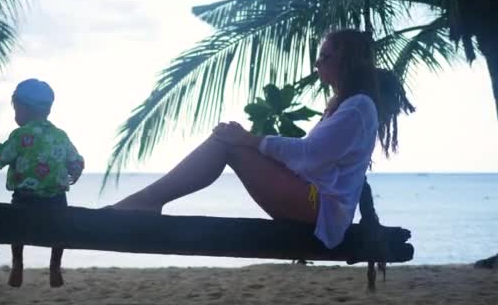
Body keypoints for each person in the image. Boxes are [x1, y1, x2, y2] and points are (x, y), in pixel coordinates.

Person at [108, 29, 413, 250]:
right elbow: (314, 159)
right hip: (315, 202)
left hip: (320, 209)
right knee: (230, 141)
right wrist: (250, 143)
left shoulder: (358, 106)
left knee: (229, 144)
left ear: (345, 59)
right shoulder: (349, 105)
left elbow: (310, 153)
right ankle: (148, 201)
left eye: (324, 56)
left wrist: (249, 139)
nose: (317, 64)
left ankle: (148, 201)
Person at [0, 78, 85, 287]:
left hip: (25, 199)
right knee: (61, 230)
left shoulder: (20, 135)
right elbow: (76, 161)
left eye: (16, 109)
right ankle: (55, 265)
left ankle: (17, 263)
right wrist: (75, 171)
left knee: (15, 228)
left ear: (24, 108)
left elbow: (0, 158)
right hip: (56, 200)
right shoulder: (60, 135)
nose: (15, 114)